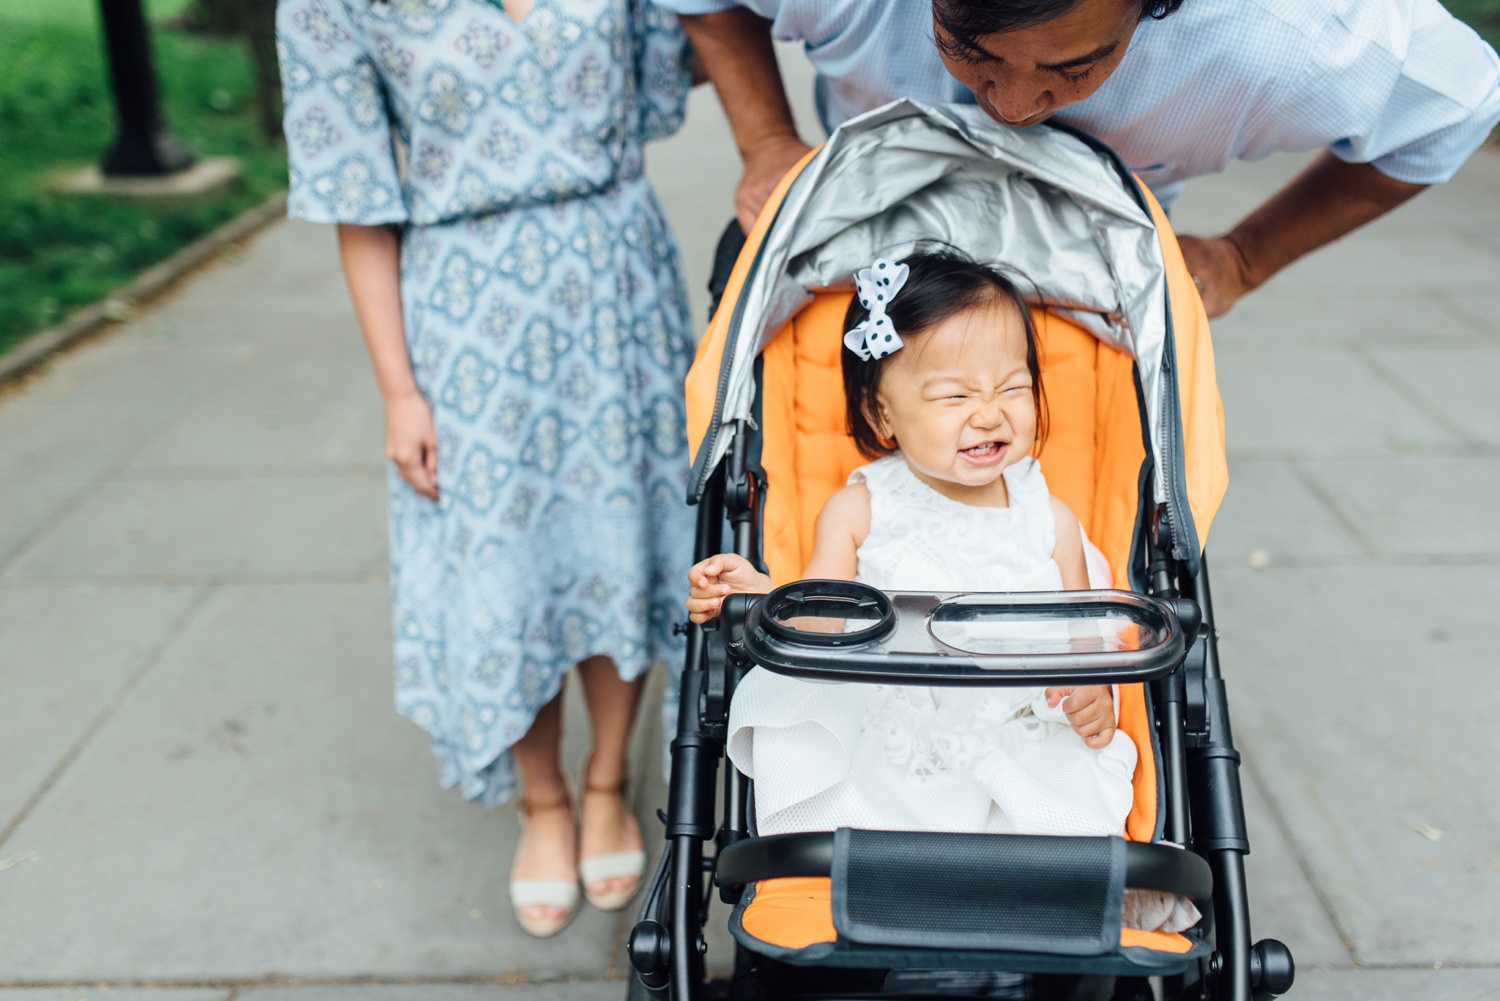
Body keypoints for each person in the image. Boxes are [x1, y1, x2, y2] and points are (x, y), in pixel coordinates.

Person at [276, 0, 696, 938]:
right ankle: (540, 799)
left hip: (616, 279)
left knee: (618, 538)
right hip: (464, 310)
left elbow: (679, 67)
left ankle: (605, 779)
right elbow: (356, 196)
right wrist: (399, 390)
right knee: (506, 568)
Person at [687, 249, 1197, 931]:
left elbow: (1088, 626)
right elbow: (821, 619)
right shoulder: (861, 508)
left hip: (1020, 721)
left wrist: (1091, 690)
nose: (989, 414)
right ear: (884, 411)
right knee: (864, 791)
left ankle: (1084, 883)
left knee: (1060, 783)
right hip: (897, 719)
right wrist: (760, 596)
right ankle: (887, 887)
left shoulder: (1049, 515)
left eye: (1012, 387)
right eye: (954, 396)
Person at [663, 0, 1500, 317]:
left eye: (1073, 70)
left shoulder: (1295, 33)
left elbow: (1458, 109)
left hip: (1097, 254)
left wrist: (1245, 256)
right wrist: (767, 140)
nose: (1014, 108)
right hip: (857, 203)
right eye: (971, 53)